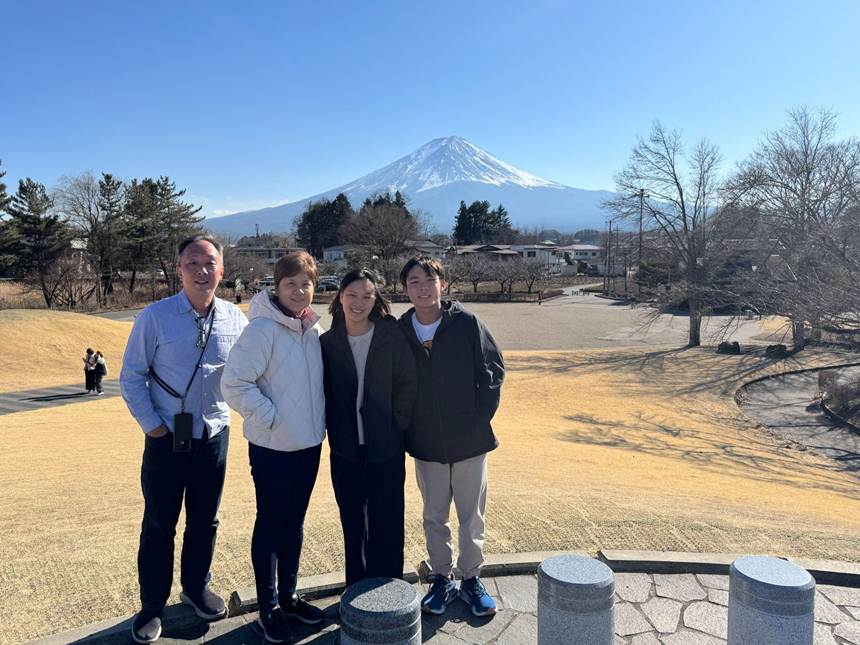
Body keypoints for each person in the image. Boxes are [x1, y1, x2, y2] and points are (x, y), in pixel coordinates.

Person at [120, 235, 248, 644]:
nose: (201, 270)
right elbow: (131, 376)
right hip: (165, 436)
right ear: (179, 270)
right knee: (159, 523)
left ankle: (196, 587)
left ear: (222, 271)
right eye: (192, 263)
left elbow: (252, 368)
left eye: (210, 262)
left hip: (214, 432)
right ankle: (152, 605)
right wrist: (152, 426)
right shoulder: (154, 317)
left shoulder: (234, 318)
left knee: (205, 520)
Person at [221, 251, 326, 644]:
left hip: (309, 444)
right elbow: (234, 384)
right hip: (272, 448)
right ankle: (268, 607)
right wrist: (270, 417)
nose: (299, 291)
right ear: (276, 287)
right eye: (290, 284)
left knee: (293, 524)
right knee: (270, 524)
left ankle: (289, 596)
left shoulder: (310, 329)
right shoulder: (262, 330)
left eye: (306, 284)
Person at [398, 255, 505, 617]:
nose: (422, 288)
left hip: (470, 442)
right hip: (427, 444)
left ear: (443, 284)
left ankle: (471, 577)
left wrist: (478, 420)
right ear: (405, 288)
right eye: (414, 281)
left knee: (471, 516)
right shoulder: (401, 331)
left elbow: (492, 372)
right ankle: (442, 578)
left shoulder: (466, 324)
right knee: (434, 515)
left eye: (429, 279)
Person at [320, 269, 417, 587]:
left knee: (387, 520)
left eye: (367, 295)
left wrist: (397, 425)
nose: (358, 303)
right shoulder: (327, 343)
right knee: (352, 522)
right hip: (345, 449)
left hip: (386, 446)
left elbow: (408, 382)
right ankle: (356, 590)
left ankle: (389, 590)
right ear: (340, 297)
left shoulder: (391, 335)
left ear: (376, 300)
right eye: (351, 295)